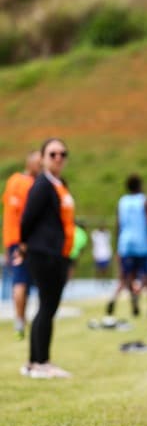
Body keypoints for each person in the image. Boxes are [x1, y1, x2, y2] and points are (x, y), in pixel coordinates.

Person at [19, 138, 75, 378]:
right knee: (47, 306)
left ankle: (37, 361)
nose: (58, 158)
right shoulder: (42, 185)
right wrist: (27, 245)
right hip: (44, 253)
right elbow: (27, 218)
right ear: (42, 158)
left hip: (57, 253)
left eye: (62, 153)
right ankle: (40, 362)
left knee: (47, 308)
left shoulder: (59, 184)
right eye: (52, 154)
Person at [106, 175, 147, 318]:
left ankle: (115, 298)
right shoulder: (144, 201)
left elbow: (118, 225)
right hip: (142, 244)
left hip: (125, 243)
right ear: (140, 185)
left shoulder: (121, 202)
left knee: (125, 277)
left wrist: (118, 246)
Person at [2, 150, 41, 340]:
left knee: (20, 281)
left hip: (12, 240)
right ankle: (23, 319)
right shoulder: (32, 185)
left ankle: (20, 320)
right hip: (26, 241)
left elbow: (9, 213)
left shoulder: (12, 181)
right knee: (23, 282)